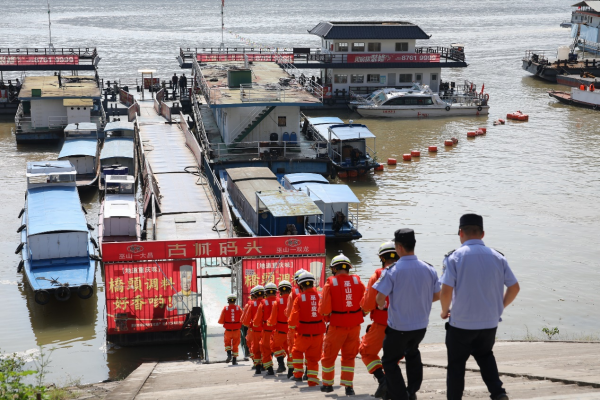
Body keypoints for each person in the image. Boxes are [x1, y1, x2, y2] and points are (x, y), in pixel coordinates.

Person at [440, 214, 520, 400]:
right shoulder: (498, 257)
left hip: (461, 324)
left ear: (460, 232)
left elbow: (446, 291)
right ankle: (498, 393)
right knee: (485, 357)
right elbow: (514, 287)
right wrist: (499, 307)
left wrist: (444, 311)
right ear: (482, 234)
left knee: (456, 366)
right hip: (489, 323)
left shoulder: (454, 258)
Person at [373, 228, 441, 400]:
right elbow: (438, 295)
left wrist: (381, 306)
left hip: (398, 328)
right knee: (412, 353)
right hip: (420, 327)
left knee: (389, 361)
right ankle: (412, 390)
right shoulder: (429, 269)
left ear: (399, 247)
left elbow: (380, 298)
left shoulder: (393, 271)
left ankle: (401, 395)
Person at [319, 254, 365, 395]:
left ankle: (327, 385)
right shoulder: (358, 282)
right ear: (348, 268)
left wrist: (327, 318)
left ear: (333, 269)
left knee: (328, 356)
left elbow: (324, 309)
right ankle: (348, 387)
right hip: (355, 326)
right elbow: (366, 302)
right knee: (349, 356)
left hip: (337, 326)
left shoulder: (330, 283)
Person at [359, 241, 398, 398]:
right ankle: (391, 385)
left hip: (381, 324)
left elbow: (368, 303)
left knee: (366, 351)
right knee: (393, 358)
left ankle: (383, 380)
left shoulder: (377, 276)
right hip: (403, 326)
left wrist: (363, 311)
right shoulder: (406, 274)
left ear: (382, 258)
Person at [288, 271, 326, 387]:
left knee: (296, 351)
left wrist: (291, 327)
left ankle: (298, 375)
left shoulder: (299, 297)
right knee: (313, 358)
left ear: (300, 285)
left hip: (303, 333)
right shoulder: (320, 295)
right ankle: (312, 380)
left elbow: (294, 315)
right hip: (318, 333)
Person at [285, 268, 306, 378]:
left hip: (296, 326)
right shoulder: (315, 293)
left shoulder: (293, 293)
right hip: (311, 325)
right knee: (310, 350)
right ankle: (309, 372)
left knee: (294, 349)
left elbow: (289, 311)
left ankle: (295, 372)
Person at [268, 280, 292, 374]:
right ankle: (291, 371)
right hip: (291, 331)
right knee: (291, 350)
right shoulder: (294, 299)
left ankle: (281, 365)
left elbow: (273, 318)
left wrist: (269, 323)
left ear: (280, 291)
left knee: (275, 346)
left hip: (280, 331)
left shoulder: (277, 302)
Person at [253, 282, 278, 375]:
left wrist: (254, 324)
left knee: (263, 349)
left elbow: (257, 317)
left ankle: (265, 368)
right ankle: (283, 365)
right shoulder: (279, 301)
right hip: (279, 330)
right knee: (282, 348)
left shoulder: (261, 303)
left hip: (264, 330)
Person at [241, 285, 265, 373]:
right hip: (267, 330)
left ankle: (257, 364)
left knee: (254, 349)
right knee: (266, 348)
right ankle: (265, 364)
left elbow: (245, 321)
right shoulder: (268, 302)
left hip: (254, 330)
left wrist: (250, 324)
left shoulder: (250, 304)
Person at [218, 293, 242, 365]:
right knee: (235, 345)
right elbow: (243, 318)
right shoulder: (238, 308)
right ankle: (234, 360)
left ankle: (229, 355)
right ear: (235, 300)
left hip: (228, 331)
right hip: (236, 330)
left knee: (227, 343)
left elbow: (221, 321)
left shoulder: (225, 309)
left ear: (228, 301)